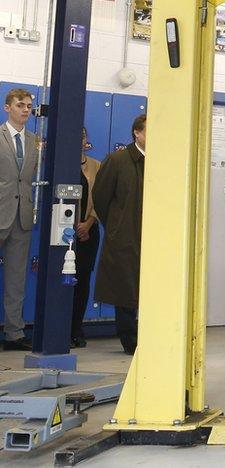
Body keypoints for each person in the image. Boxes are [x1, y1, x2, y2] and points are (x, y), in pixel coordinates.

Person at [93, 114, 147, 355]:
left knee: (148, 286)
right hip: (124, 235)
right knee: (125, 288)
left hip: (153, 236)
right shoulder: (117, 160)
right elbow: (101, 198)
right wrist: (115, 226)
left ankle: (149, 334)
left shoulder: (162, 160)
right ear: (137, 132)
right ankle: (129, 339)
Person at [1, 89, 39, 351]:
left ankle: (14, 333)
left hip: (22, 217)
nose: (25, 110)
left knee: (16, 279)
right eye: (20, 105)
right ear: (7, 108)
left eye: (28, 106)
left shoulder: (35, 140)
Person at [71, 127, 101, 348]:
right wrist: (72, 225)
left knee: (82, 283)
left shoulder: (95, 165)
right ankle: (59, 327)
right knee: (63, 283)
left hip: (89, 232)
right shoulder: (60, 163)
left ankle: (76, 329)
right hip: (64, 233)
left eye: (81, 136)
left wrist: (88, 223)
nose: (79, 140)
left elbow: (100, 199)